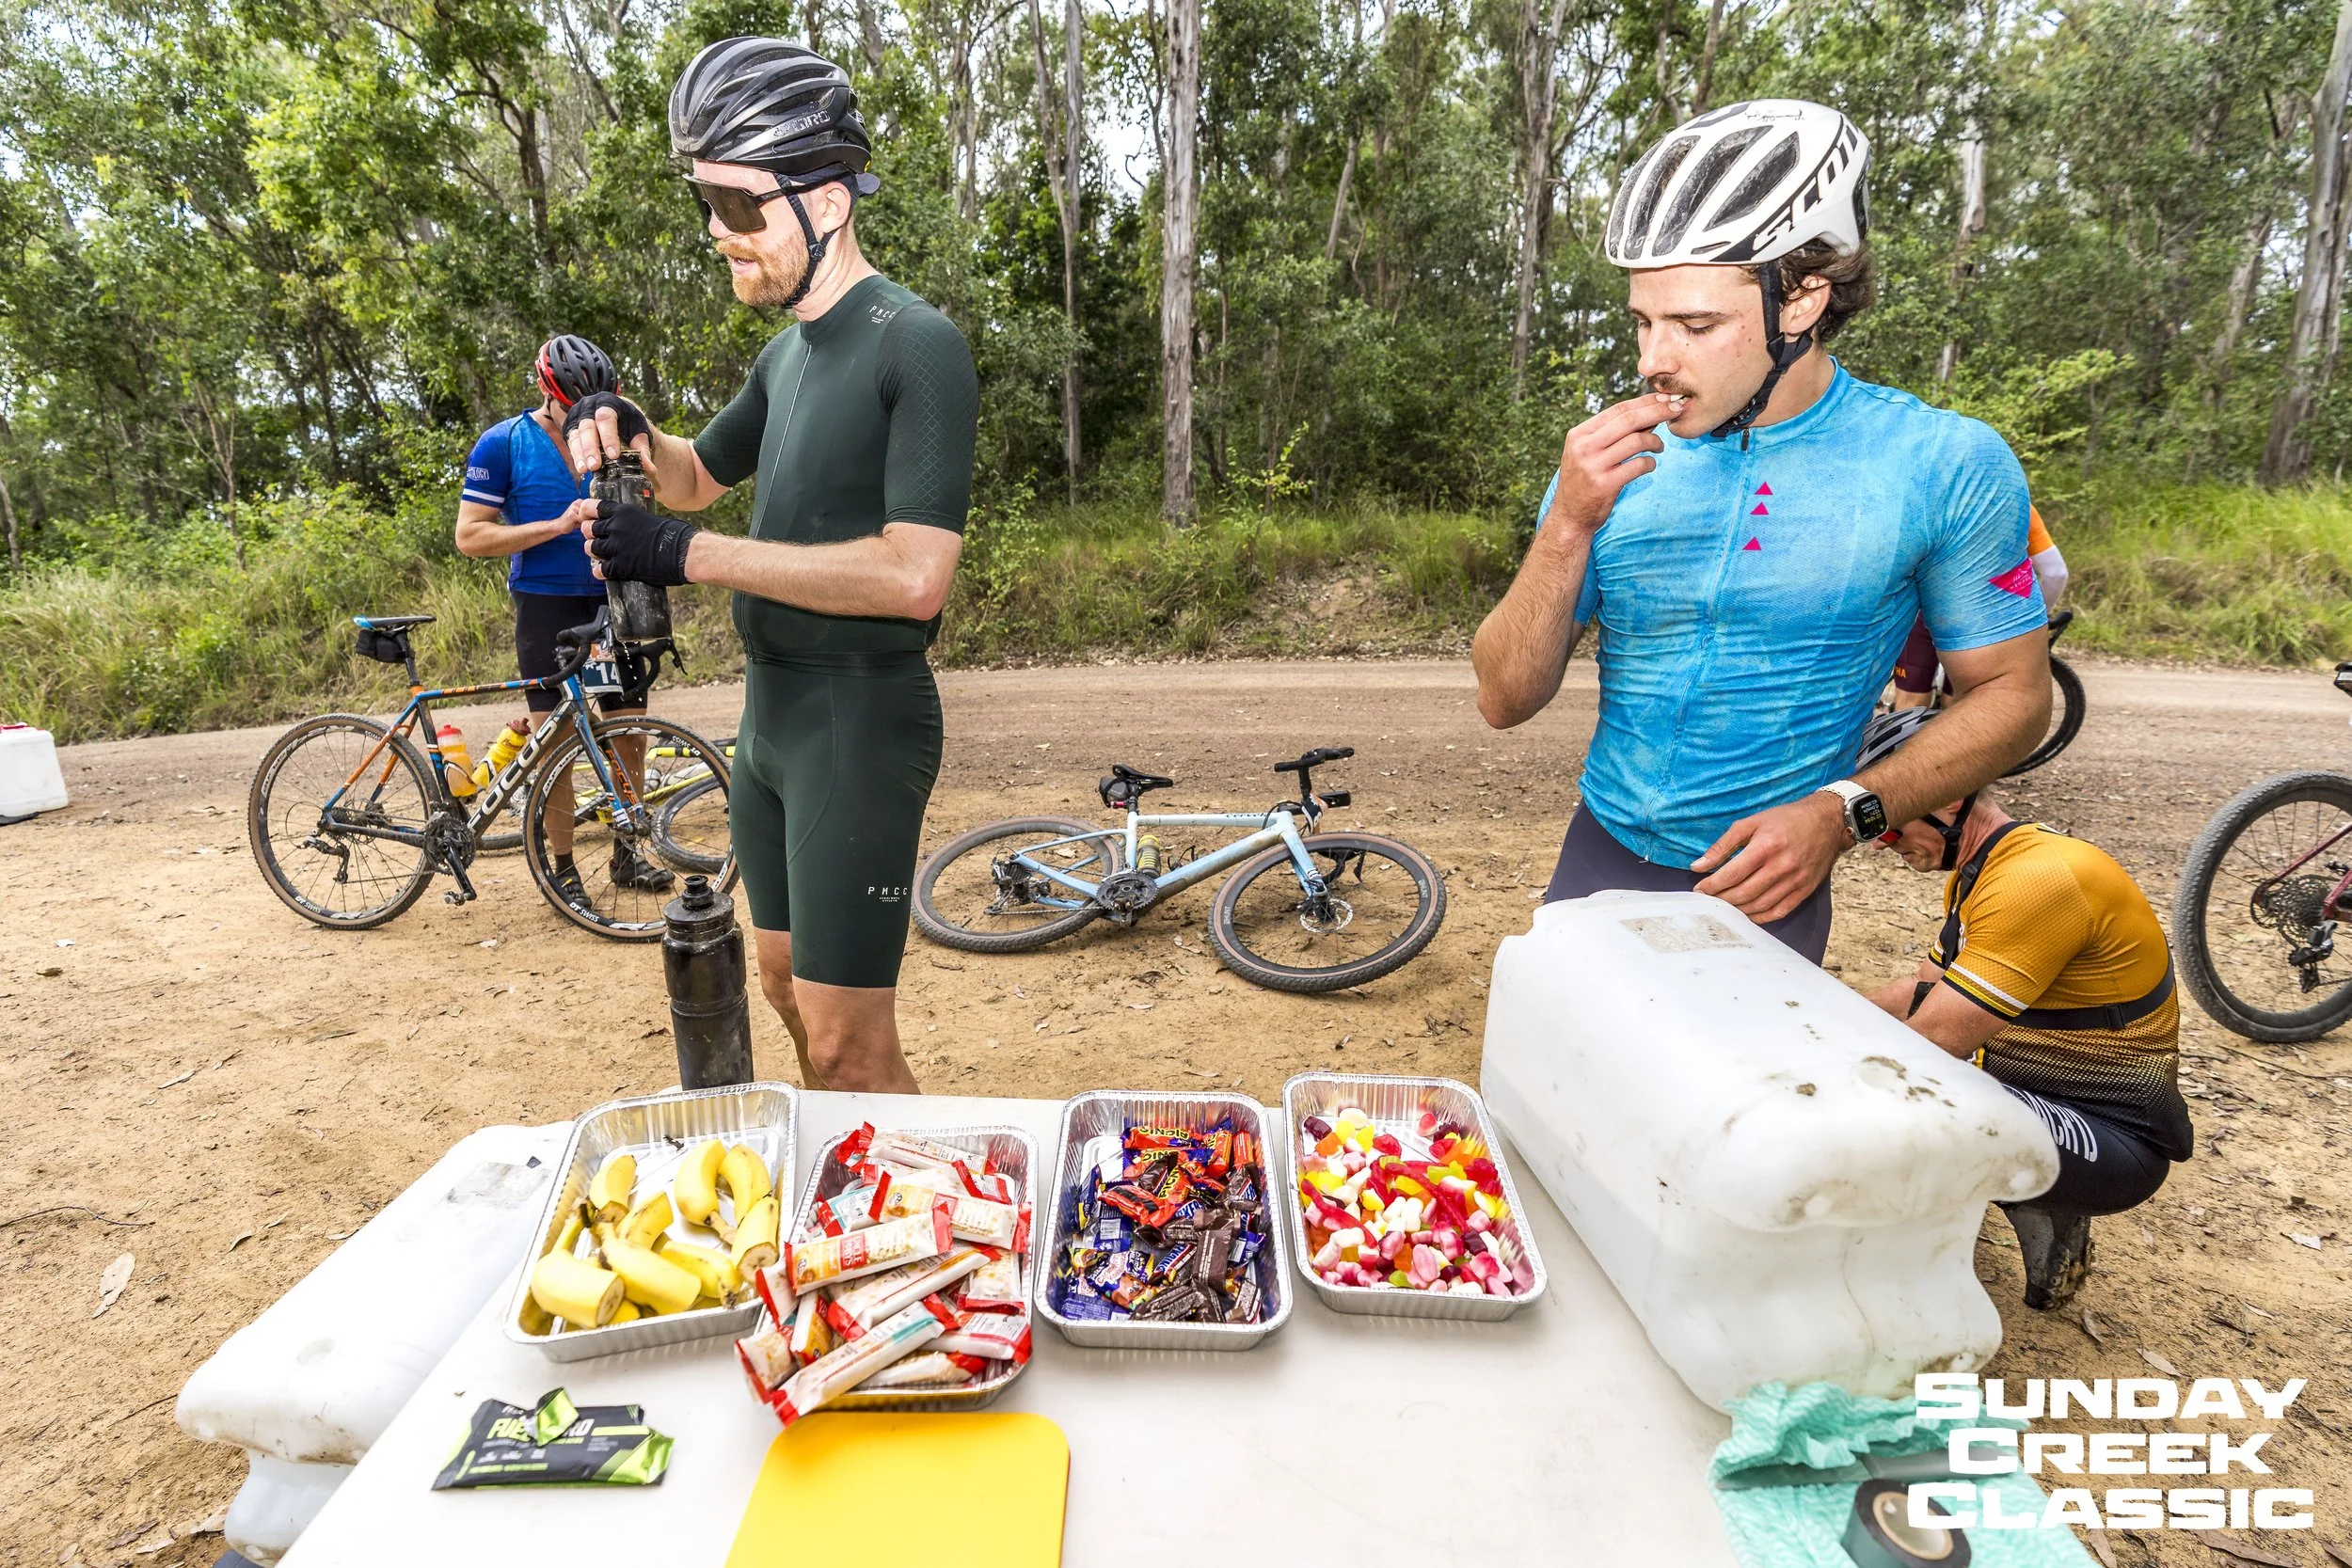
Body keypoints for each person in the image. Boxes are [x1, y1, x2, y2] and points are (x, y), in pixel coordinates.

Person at [1471, 100, 2054, 962]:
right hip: (1595, 850)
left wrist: (1846, 812)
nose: (1651, 360)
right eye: (1644, 320)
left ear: (1803, 299)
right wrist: (1566, 522)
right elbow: (1503, 699)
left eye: (1696, 325)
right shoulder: (1613, 462)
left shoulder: (1943, 462)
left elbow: (2016, 695)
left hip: (1763, 887)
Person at [561, 40, 978, 1095]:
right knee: (789, 991)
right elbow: (696, 473)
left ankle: (931, 1228)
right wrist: (627, 427)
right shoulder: (786, 352)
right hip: (770, 722)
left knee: (849, 1045)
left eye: (737, 206)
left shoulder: (913, 343)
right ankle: (859, 1183)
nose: (716, 230)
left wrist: (686, 555)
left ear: (827, 201)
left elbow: (915, 576)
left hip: (857, 716)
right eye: (705, 200)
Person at [1853, 707, 2191, 1309]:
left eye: (1889, 823)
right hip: (2053, 1101)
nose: (1884, 844)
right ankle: (2033, 1197)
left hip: (2116, 1139)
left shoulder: (2038, 882)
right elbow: (1920, 993)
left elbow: (1926, 1047)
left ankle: (1904, 1291)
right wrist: (1817, 1021)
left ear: (1950, 798)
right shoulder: (1986, 869)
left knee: (1910, 1102)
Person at [454, 335, 671, 905]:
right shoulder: (504, 443)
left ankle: (628, 854)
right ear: (547, 394)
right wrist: (555, 525)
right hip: (545, 603)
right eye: (570, 403)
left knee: (629, 730)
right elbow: (470, 535)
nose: (583, 418)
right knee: (559, 741)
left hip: (616, 597)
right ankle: (564, 866)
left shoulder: (618, 431)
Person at [1891, 504, 2069, 708]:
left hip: (1924, 610)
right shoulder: (2017, 504)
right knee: (1960, 707)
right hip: (1981, 619)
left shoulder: (1930, 499)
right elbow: (2056, 573)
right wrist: (2038, 616)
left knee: (1910, 701)